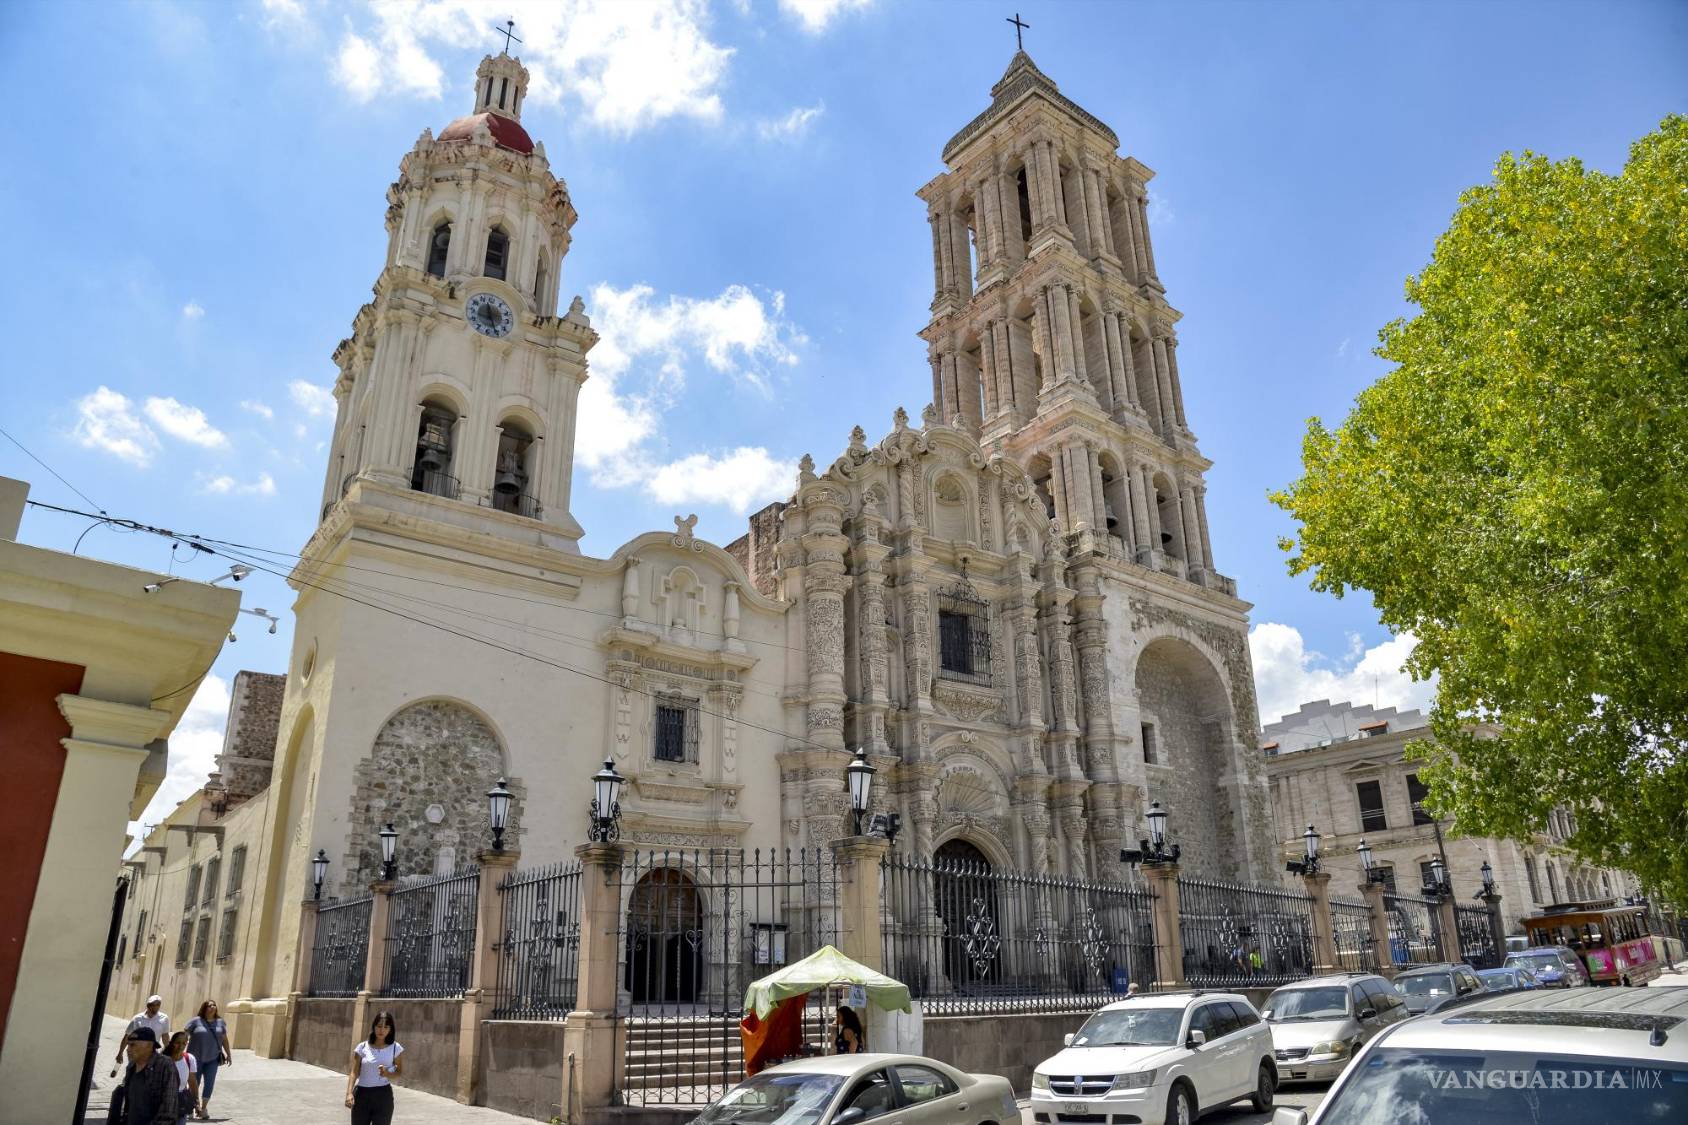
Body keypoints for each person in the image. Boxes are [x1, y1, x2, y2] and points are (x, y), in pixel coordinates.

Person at [346, 1010, 404, 1125]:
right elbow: (354, 1072)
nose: (382, 1030)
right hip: (362, 1094)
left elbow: (399, 1072)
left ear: (390, 1029)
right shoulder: (362, 1047)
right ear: (374, 1027)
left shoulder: (395, 1048)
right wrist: (349, 1093)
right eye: (379, 1026)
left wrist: (387, 1073)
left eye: (386, 1027)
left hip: (383, 1096)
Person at [115, 1027, 178, 1125]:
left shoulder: (165, 1065)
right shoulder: (131, 1066)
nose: (128, 1049)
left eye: (132, 1045)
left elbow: (168, 1109)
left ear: (149, 1046)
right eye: (128, 1045)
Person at [184, 1000, 231, 1120]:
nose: (212, 1007)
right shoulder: (195, 1021)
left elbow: (224, 1039)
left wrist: (228, 1054)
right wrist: (179, 1052)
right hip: (195, 1059)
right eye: (209, 1005)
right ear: (204, 1008)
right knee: (194, 1083)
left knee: (209, 1083)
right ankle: (191, 1107)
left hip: (213, 1059)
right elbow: (184, 1036)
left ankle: (203, 1109)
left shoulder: (220, 1022)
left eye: (214, 1005)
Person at [115, 996, 171, 1075]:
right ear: (148, 1005)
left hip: (153, 1053)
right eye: (153, 1005)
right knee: (133, 1074)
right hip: (136, 1052)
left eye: (158, 1004)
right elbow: (127, 1037)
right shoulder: (137, 1018)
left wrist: (169, 1053)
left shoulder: (164, 1018)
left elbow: (165, 1037)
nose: (156, 1007)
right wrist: (120, 1053)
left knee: (150, 1075)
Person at [166, 1031, 198, 1125]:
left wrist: (196, 1102)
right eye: (177, 1043)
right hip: (164, 1101)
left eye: (184, 1043)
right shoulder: (163, 1059)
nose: (181, 1046)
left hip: (181, 1101)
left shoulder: (189, 1059)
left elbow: (192, 1082)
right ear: (172, 1043)